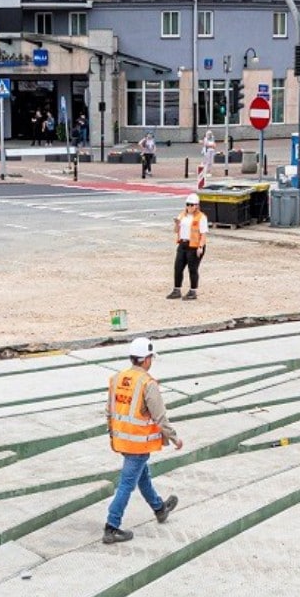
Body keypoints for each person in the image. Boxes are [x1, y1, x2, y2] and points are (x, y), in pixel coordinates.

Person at [103, 337, 182, 544]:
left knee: (142, 476)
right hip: (138, 442)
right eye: (151, 358)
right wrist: (174, 437)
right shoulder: (148, 383)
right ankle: (111, 527)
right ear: (146, 359)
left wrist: (113, 435)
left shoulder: (117, 379)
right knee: (126, 484)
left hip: (122, 440)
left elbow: (109, 411)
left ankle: (159, 508)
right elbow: (159, 416)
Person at [169, 194, 208, 300]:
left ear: (197, 206)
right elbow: (176, 231)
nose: (189, 207)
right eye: (188, 205)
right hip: (183, 244)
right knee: (178, 268)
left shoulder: (201, 217)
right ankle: (176, 290)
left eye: (192, 205)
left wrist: (200, 246)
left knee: (193, 269)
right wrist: (177, 224)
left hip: (195, 246)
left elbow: (203, 234)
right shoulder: (182, 215)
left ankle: (193, 291)